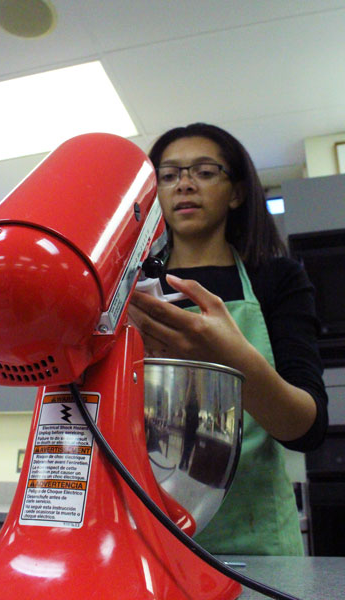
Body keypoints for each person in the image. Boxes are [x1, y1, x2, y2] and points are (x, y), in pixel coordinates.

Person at [128, 122, 328, 556]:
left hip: (255, 543)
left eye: (203, 171)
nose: (184, 184)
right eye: (169, 174)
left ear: (236, 192)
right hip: (147, 535)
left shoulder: (276, 278)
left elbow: (306, 430)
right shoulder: (130, 291)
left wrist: (233, 360)